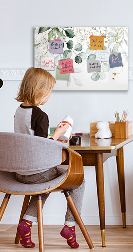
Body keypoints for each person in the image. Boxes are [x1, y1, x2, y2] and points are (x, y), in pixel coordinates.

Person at [14, 67, 84, 249]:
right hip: (37, 172)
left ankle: (26, 224)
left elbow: (31, 140)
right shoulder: (40, 115)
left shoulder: (19, 111)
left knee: (44, 184)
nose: (49, 95)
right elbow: (41, 147)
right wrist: (58, 135)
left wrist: (53, 135)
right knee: (79, 180)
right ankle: (70, 226)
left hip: (20, 172)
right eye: (50, 91)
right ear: (40, 91)